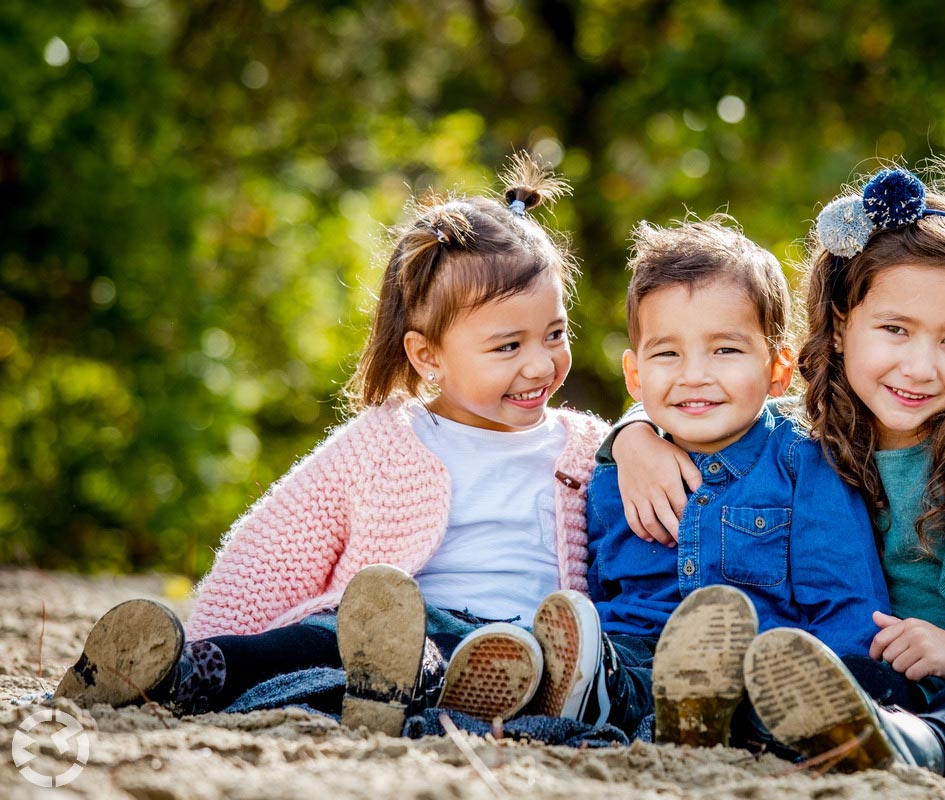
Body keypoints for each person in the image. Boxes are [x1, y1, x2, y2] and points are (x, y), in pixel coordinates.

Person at [55, 154, 613, 737]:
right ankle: (180, 671)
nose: (541, 363)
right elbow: (274, 545)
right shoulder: (389, 441)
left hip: (512, 653)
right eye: (508, 347)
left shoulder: (592, 449)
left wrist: (642, 437)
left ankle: (399, 686)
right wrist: (209, 632)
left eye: (555, 334)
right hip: (381, 629)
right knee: (309, 645)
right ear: (428, 357)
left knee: (451, 668)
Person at [609, 163, 945, 775]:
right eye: (894, 330)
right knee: (818, 682)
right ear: (837, 327)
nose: (919, 366)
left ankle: (926, 748)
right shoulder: (800, 431)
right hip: (891, 676)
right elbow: (701, 414)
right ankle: (855, 732)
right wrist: (632, 434)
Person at [584, 216, 889, 747]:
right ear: (635, 376)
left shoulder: (801, 461)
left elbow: (846, 600)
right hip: (634, 657)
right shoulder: (617, 473)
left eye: (725, 350)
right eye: (667, 353)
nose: (694, 373)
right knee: (601, 660)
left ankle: (702, 717)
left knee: (764, 693)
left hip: (759, 667)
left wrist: (838, 687)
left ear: (778, 368)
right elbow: (599, 585)